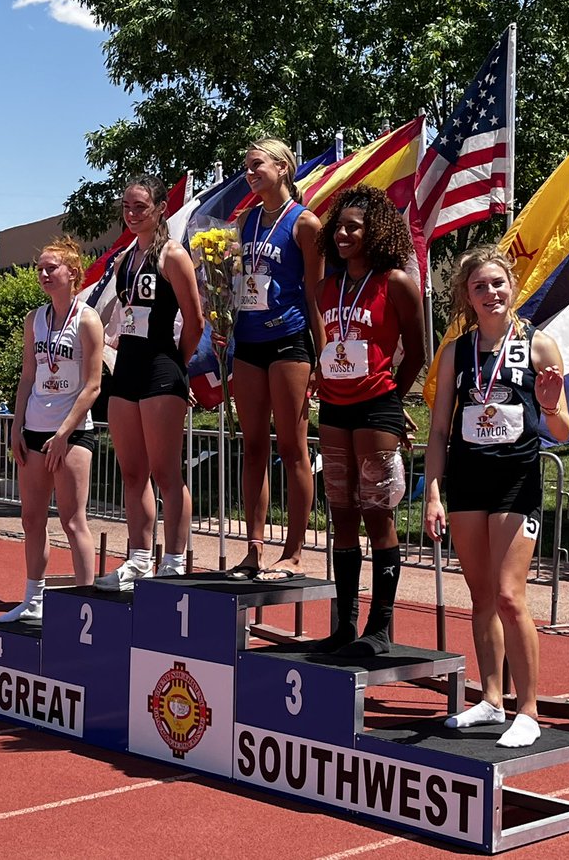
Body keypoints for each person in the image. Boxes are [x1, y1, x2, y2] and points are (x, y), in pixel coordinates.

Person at [423, 244, 569, 749]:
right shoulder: (456, 352)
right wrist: (433, 494)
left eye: (498, 283)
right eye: (480, 286)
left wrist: (549, 407)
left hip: (515, 481)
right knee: (481, 597)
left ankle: (528, 709)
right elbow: (439, 428)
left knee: (509, 595)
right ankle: (490, 699)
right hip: (466, 482)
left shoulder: (539, 345)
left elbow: (562, 427)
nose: (491, 293)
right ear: (468, 296)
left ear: (513, 287)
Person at [313, 184, 425, 657]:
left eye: (352, 228)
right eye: (338, 227)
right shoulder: (326, 287)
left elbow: (416, 352)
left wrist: (392, 399)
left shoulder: (396, 281)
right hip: (334, 408)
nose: (342, 234)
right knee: (341, 513)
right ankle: (344, 626)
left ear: (374, 232)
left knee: (377, 512)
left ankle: (378, 629)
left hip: (377, 404)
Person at [95, 175, 204, 591]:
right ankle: (138, 558)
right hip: (127, 370)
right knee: (133, 472)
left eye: (140, 206)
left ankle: (173, 560)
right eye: (126, 206)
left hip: (162, 367)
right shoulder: (123, 260)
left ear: (160, 208)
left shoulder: (173, 255)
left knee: (165, 472)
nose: (132, 213)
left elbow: (194, 320)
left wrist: (178, 363)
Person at [226, 138, 324, 582]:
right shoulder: (244, 221)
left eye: (257, 164)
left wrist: (323, 356)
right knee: (252, 447)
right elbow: (232, 282)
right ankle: (253, 548)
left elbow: (315, 294)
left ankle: (294, 551)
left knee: (291, 447)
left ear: (284, 168)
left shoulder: (305, 223)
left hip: (288, 340)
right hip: (246, 342)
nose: (249, 172)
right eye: (246, 166)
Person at [0, 237, 105, 623]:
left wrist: (63, 432)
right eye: (39, 268)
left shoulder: (87, 319)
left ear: (72, 273)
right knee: (31, 518)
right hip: (34, 431)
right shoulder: (35, 319)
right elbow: (27, 377)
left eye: (51, 268)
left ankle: (86, 604)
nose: (43, 274)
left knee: (73, 519)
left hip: (72, 433)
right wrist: (16, 425)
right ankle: (33, 599)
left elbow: (93, 385)